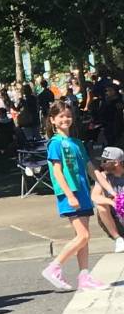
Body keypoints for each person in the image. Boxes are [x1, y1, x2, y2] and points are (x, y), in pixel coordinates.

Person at [42, 101, 109, 291]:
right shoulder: (55, 143)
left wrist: (110, 190)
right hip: (69, 194)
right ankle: (54, 267)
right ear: (53, 120)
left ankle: (84, 276)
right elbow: (57, 172)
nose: (65, 119)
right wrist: (70, 195)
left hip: (83, 192)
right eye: (61, 116)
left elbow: (90, 168)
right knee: (83, 236)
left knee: (85, 238)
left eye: (68, 115)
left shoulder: (77, 143)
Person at [90, 146, 124, 253]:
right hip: (115, 219)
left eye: (105, 161)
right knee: (101, 205)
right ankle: (118, 239)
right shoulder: (103, 177)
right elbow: (94, 196)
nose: (101, 164)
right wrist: (112, 202)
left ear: (116, 163)